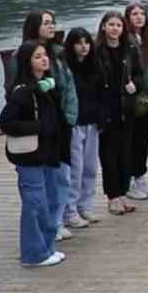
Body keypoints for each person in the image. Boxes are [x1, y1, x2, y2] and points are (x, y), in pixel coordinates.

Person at [0, 41, 67, 267]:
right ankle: (33, 254)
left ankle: (46, 248)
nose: (44, 59)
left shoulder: (46, 87)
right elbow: (7, 122)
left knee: (47, 201)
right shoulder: (24, 91)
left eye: (45, 55)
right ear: (27, 62)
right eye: (38, 57)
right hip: (30, 156)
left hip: (46, 154)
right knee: (34, 203)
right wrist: (39, 127)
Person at [20, 11, 78, 237]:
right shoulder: (23, 54)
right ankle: (47, 224)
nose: (51, 26)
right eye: (46, 23)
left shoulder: (58, 53)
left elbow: (69, 86)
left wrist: (70, 116)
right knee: (43, 176)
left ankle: (57, 219)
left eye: (52, 22)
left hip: (61, 120)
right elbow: (18, 89)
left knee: (62, 174)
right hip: (40, 124)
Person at [94, 11, 141, 214]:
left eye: (119, 25)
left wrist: (135, 85)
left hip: (126, 108)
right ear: (104, 27)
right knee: (109, 154)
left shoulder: (129, 49)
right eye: (111, 24)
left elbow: (139, 73)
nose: (115, 29)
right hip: (106, 109)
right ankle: (112, 196)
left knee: (125, 152)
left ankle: (123, 192)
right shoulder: (96, 51)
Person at [61, 28, 103, 226]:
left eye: (86, 42)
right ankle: (69, 210)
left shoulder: (94, 65)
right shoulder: (65, 68)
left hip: (92, 122)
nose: (84, 46)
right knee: (75, 169)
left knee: (90, 167)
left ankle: (85, 205)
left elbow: (101, 93)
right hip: (74, 124)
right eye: (79, 43)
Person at [120, 3, 148, 200]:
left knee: (142, 140)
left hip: (146, 98)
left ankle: (140, 177)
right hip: (130, 97)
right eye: (134, 14)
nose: (139, 17)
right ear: (127, 17)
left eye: (142, 14)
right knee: (129, 141)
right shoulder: (124, 39)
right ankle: (127, 181)